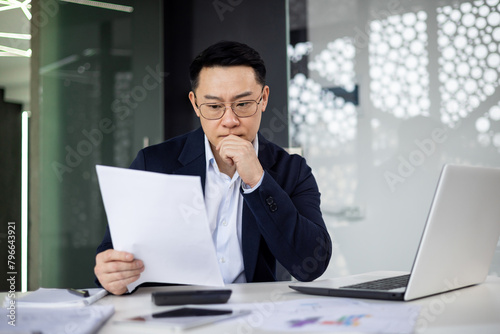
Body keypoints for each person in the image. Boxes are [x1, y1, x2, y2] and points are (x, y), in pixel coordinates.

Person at [94, 41, 332, 295]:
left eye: (242, 104)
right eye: (214, 107)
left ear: (263, 98)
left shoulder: (291, 170)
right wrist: (110, 274)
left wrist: (258, 181)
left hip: (254, 315)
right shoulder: (152, 164)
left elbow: (312, 265)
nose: (229, 121)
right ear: (195, 104)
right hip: (171, 315)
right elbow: (112, 252)